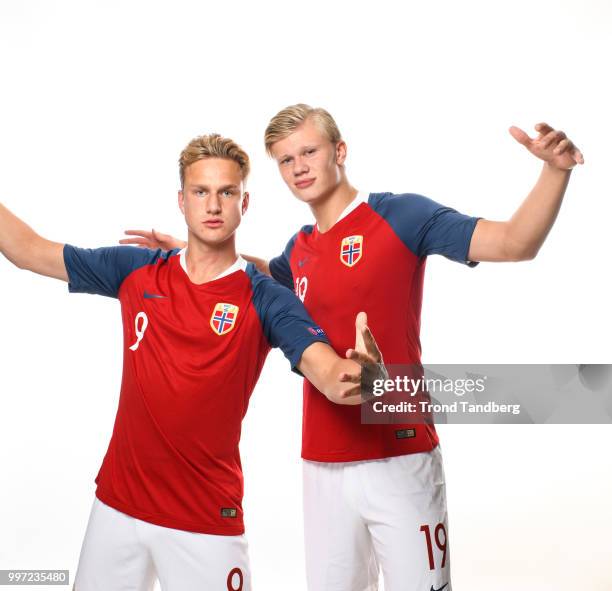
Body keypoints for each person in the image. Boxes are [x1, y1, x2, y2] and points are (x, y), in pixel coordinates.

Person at [122, 108, 583, 591]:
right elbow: (256, 278)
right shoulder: (297, 249)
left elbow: (514, 243)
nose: (298, 166)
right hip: (322, 465)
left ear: (339, 152)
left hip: (399, 457)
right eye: (285, 160)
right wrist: (196, 248)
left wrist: (555, 170)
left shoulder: (402, 215)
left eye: (308, 152)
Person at [0, 132, 384, 591]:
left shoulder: (265, 297)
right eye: (201, 192)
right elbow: (28, 251)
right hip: (117, 509)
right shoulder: (137, 270)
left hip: (204, 520)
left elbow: (330, 374)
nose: (214, 205)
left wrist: (366, 375)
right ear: (182, 201)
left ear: (246, 203)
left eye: (227, 192)